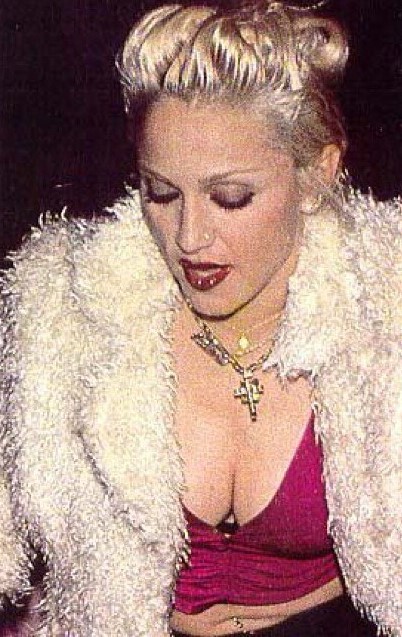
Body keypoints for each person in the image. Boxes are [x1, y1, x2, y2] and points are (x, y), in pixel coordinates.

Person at [0, 1, 401, 635]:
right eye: (160, 192)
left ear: (315, 175)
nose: (189, 237)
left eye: (230, 197)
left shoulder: (388, 302)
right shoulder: (61, 309)